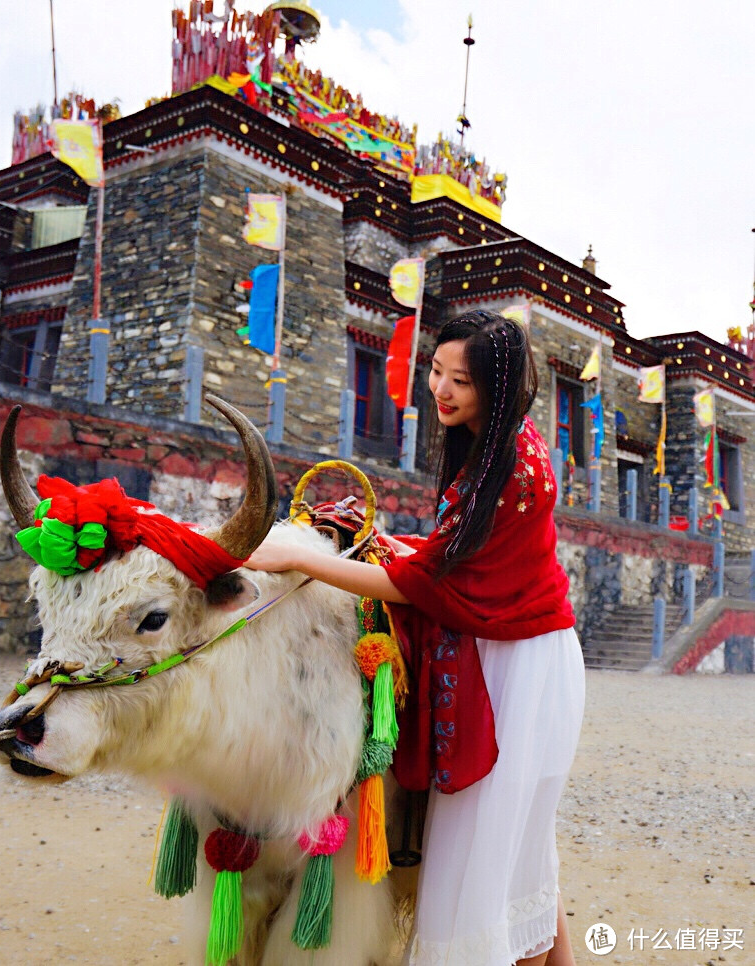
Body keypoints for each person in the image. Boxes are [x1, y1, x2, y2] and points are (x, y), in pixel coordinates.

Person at [244, 309, 585, 966]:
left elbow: (430, 588)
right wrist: (405, 548)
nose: (442, 390)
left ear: (500, 387)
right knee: (519, 855)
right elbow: (468, 559)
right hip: (537, 652)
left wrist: (302, 560)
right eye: (436, 371)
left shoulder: (506, 467)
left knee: (481, 858)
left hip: (515, 667)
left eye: (462, 379)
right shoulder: (507, 445)